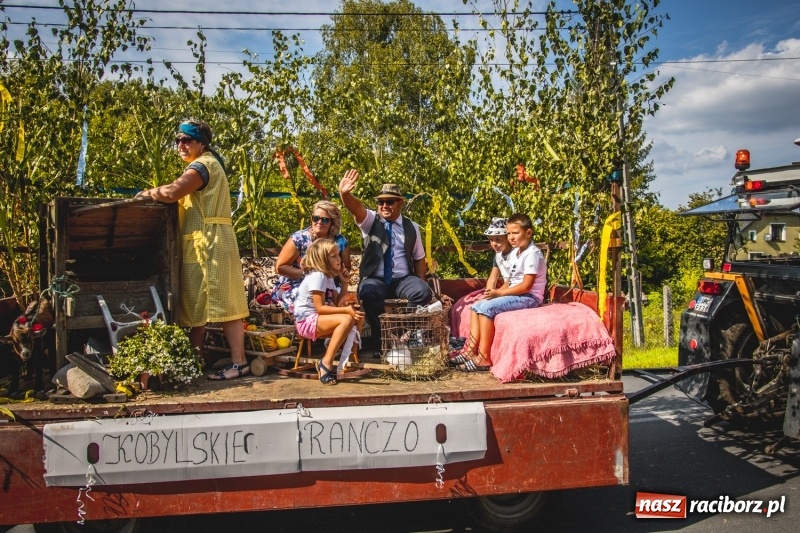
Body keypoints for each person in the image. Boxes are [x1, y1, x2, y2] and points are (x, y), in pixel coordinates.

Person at [135, 119, 250, 381]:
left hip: (209, 243)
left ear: (202, 143)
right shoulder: (206, 164)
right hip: (207, 242)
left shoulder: (202, 167)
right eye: (178, 140)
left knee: (226, 304)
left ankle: (239, 362)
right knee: (197, 305)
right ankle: (193, 359)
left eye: (187, 140)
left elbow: (173, 192)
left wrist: (146, 193)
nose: (181, 145)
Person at [337, 169, 432, 355]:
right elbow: (355, 207)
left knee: (422, 292)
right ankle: (380, 336)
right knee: (368, 291)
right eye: (381, 202)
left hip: (403, 279)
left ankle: (401, 334)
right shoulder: (371, 220)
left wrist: (422, 281)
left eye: (390, 201)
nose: (384, 205)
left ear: (400, 203)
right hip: (376, 279)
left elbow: (419, 258)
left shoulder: (411, 227)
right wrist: (345, 194)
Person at [449, 213, 546, 371]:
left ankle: (483, 358)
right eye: (509, 233)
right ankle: (470, 350)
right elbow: (512, 280)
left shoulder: (532, 254)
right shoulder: (517, 252)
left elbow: (526, 286)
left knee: (487, 309)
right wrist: (497, 293)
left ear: (528, 233)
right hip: (518, 294)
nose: (511, 237)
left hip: (529, 297)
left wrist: (499, 295)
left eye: (515, 233)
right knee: (477, 306)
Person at [293, 239, 364, 385]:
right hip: (306, 321)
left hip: (318, 318)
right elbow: (320, 308)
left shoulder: (328, 277)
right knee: (347, 319)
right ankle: (326, 362)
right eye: (334, 256)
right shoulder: (317, 276)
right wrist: (346, 310)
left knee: (357, 316)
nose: (339, 259)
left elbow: (337, 303)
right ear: (323, 259)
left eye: (338, 255)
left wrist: (344, 283)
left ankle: (349, 357)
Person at [269, 200, 351, 314]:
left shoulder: (340, 241)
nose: (319, 222)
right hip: (298, 284)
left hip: (329, 285)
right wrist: (307, 272)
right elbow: (280, 267)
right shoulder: (299, 238)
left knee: (347, 303)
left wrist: (330, 273)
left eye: (325, 219)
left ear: (333, 222)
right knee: (309, 303)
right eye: (316, 218)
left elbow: (345, 267)